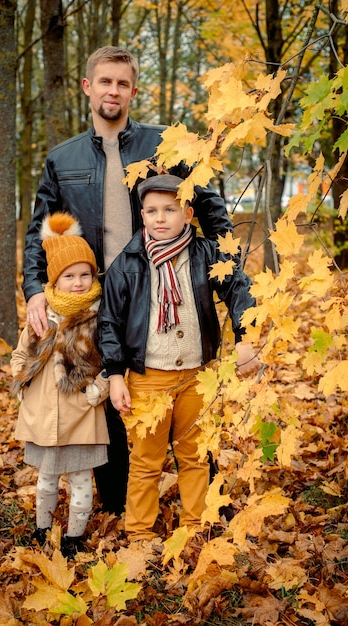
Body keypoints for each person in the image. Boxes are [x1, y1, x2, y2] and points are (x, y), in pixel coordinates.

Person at [21, 46, 233, 516]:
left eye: (122, 83)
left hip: (163, 289)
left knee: (185, 398)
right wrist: (35, 289)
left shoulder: (164, 145)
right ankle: (121, 506)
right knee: (110, 398)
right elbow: (41, 230)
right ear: (88, 87)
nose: (112, 90)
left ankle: (208, 504)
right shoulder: (62, 158)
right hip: (95, 299)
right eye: (105, 82)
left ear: (133, 91)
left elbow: (212, 210)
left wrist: (224, 273)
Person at [97, 174, 260, 543]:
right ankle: (139, 534)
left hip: (195, 376)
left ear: (187, 213)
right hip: (147, 377)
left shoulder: (205, 254)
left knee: (195, 455)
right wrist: (116, 375)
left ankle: (195, 526)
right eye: (152, 211)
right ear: (142, 216)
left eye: (169, 209)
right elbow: (109, 321)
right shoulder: (128, 263)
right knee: (145, 461)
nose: (160, 218)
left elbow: (238, 288)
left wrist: (245, 338)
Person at [11, 212, 110, 559]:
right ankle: (43, 528)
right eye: (69, 276)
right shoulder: (42, 316)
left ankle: (74, 536)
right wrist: (20, 380)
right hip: (43, 412)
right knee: (46, 480)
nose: (79, 282)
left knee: (82, 478)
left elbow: (109, 360)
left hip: (80, 413)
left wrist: (98, 391)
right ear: (55, 279)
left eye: (85, 274)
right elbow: (21, 351)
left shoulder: (98, 316)